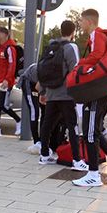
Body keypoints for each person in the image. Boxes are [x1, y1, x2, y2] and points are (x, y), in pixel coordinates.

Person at [72, 9, 107, 187]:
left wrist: (78, 65)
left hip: (98, 91)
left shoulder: (97, 34)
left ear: (89, 21)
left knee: (90, 132)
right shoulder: (98, 36)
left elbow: (96, 57)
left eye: (81, 21)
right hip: (101, 90)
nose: (80, 25)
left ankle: (94, 175)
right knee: (94, 131)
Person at [38, 20, 84, 169]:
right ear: (73, 32)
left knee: (47, 124)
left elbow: (45, 70)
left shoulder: (52, 46)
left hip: (51, 92)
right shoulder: (71, 47)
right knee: (72, 125)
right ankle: (77, 160)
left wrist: (43, 91)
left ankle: (44, 155)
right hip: (66, 94)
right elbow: (75, 71)